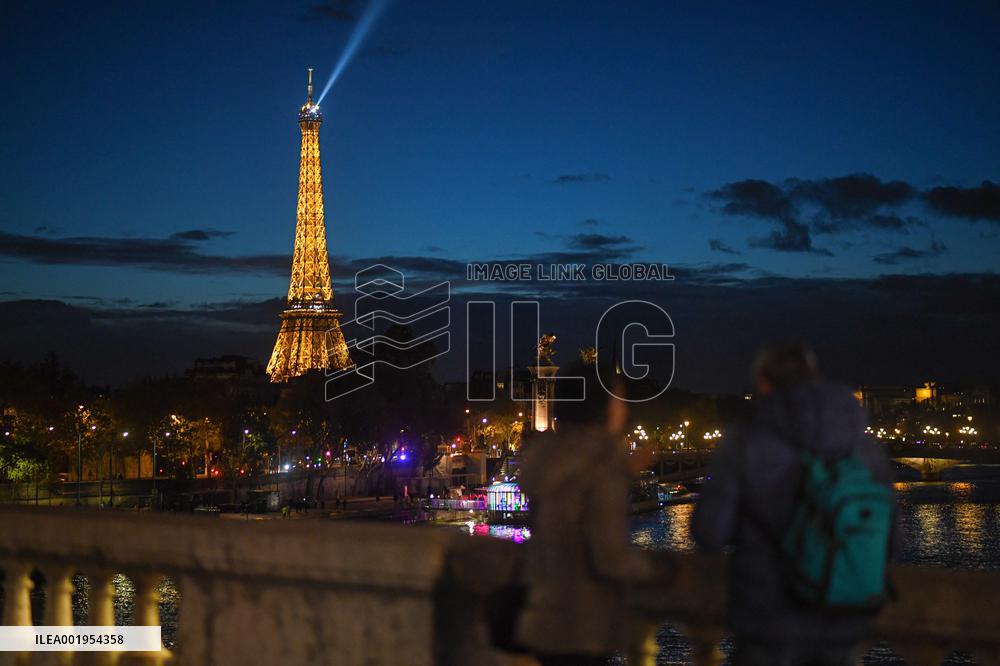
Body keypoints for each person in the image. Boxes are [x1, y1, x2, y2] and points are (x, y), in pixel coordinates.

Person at [691, 340, 895, 666]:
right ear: (814, 375)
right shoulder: (863, 443)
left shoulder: (745, 438)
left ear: (763, 383)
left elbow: (709, 532)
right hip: (841, 618)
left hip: (767, 619)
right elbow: (891, 536)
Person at [515, 372, 673, 665]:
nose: (624, 408)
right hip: (583, 625)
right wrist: (663, 570)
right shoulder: (603, 467)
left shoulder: (544, 460)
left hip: (541, 619)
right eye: (619, 400)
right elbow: (609, 557)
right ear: (603, 409)